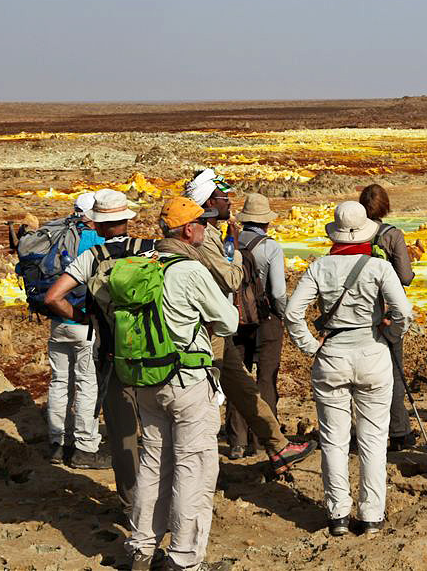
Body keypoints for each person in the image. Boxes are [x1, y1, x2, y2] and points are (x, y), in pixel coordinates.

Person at [121, 196, 239, 571]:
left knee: (153, 463)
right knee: (195, 467)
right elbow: (229, 322)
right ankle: (184, 559)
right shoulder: (190, 270)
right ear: (189, 230)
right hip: (187, 380)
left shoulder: (141, 265)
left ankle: (141, 548)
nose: (207, 229)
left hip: (145, 380)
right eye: (203, 224)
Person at [284, 201, 413, 536]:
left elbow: (293, 313)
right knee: (373, 439)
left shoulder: (319, 267)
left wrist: (311, 346)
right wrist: (389, 334)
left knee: (334, 439)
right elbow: (403, 312)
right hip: (372, 352)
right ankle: (372, 515)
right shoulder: (378, 267)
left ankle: (337, 514)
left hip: (333, 356)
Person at [184, 169, 315, 473]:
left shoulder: (224, 235)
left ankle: (250, 443)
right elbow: (265, 287)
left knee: (237, 381)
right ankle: (256, 444)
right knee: (254, 381)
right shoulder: (251, 244)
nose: (228, 200)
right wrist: (283, 316)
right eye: (222, 196)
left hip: (228, 321)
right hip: (239, 323)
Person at [45, 188, 154, 522]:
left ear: (101, 225)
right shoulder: (151, 252)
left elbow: (53, 297)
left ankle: (131, 506)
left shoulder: (92, 257)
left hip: (111, 356)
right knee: (157, 431)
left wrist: (82, 317)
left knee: (123, 436)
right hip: (153, 357)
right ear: (125, 220)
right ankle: (161, 500)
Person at [226, 193, 290, 458]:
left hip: (236, 317)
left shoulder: (229, 244)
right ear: (266, 222)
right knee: (266, 378)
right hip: (266, 320)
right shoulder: (271, 247)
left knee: (237, 377)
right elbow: (278, 292)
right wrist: (284, 316)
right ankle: (263, 439)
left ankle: (237, 441)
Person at [45, 192, 107, 468]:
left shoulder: (58, 235)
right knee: (87, 384)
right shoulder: (94, 241)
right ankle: (85, 447)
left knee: (58, 382)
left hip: (56, 319)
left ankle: (56, 443)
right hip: (83, 321)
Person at [358, 183, 417, 451]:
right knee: (392, 373)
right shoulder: (393, 235)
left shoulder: (352, 234)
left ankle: (366, 429)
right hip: (388, 315)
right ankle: (399, 431)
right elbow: (405, 276)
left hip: (359, 313)